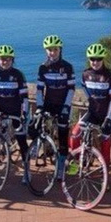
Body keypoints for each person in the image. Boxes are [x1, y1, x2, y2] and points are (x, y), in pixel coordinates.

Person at [0, 44, 31, 183]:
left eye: (8, 59)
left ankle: (27, 171)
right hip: (1, 107)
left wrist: (24, 113)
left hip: (16, 110)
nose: (5, 61)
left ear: (12, 60)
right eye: (2, 59)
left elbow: (25, 97)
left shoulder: (17, 75)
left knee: (22, 140)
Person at [32, 35, 75, 178]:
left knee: (63, 134)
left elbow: (71, 89)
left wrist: (66, 107)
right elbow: (39, 89)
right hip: (48, 104)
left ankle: (62, 164)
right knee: (38, 125)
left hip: (63, 105)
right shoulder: (43, 67)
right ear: (46, 51)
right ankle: (44, 148)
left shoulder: (68, 67)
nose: (52, 52)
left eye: (55, 49)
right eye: (49, 50)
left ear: (60, 50)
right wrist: (39, 107)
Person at [69, 43, 111, 166]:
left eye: (98, 59)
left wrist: (108, 119)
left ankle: (104, 171)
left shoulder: (109, 76)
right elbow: (85, 89)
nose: (95, 62)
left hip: (107, 114)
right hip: (93, 113)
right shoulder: (86, 75)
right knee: (75, 135)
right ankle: (80, 161)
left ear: (103, 59)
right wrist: (90, 100)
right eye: (92, 59)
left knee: (105, 142)